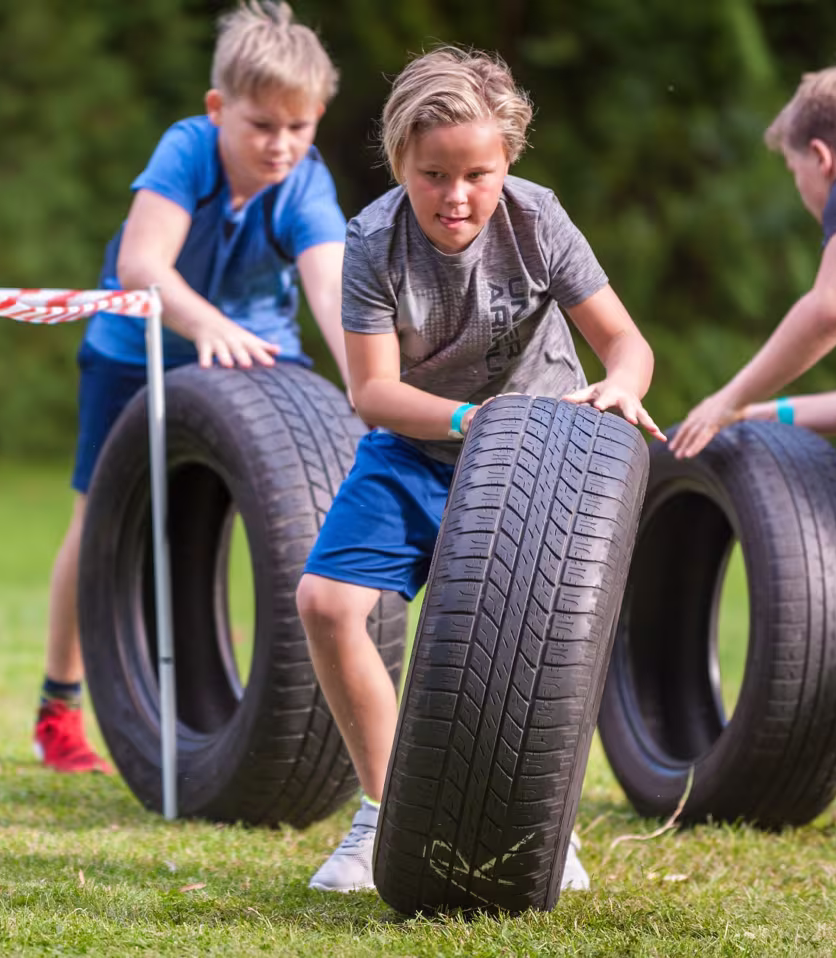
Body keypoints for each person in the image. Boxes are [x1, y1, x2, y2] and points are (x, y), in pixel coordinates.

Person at [294, 46, 664, 893]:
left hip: (542, 456)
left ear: (506, 162)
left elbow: (627, 343)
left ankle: (543, 825)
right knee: (326, 602)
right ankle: (385, 814)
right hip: (422, 445)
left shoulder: (537, 220)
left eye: (477, 173)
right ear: (400, 164)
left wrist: (622, 386)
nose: (456, 196)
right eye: (433, 175)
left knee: (530, 640)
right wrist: (472, 419)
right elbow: (373, 392)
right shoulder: (372, 241)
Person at [35, 0, 352, 773]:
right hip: (134, 343)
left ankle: (294, 708)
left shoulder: (305, 185)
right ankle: (59, 708)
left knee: (291, 509)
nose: (281, 146)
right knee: (98, 519)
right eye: (262, 126)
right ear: (218, 109)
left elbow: (334, 295)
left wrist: (367, 387)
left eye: (299, 127)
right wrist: (201, 324)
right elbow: (144, 264)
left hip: (254, 351)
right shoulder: (187, 151)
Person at [671, 62, 836, 458]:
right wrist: (768, 413)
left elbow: (834, 308)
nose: (799, 185)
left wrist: (729, 397)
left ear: (820, 157)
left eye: (793, 169)